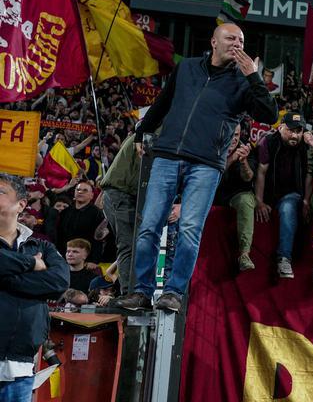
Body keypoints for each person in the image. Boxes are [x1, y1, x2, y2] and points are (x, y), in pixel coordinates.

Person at [117, 23, 278, 313]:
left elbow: (269, 114)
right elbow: (163, 102)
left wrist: (253, 77)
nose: (237, 44)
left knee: (190, 228)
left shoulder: (244, 81)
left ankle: (174, 292)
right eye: (230, 38)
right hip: (167, 155)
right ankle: (141, 292)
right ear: (214, 42)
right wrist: (142, 131)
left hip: (206, 164)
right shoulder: (187, 68)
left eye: (241, 41)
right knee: (149, 226)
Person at [0, 173, 69, 402]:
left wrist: (7, 276)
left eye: (0, 192)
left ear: (21, 204)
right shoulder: (35, 256)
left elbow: (58, 281)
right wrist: (31, 265)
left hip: (20, 371)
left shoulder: (42, 246)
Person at [255, 112, 313, 280]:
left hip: (292, 195)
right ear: (281, 127)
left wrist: (306, 201)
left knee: (288, 207)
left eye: (298, 131)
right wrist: (259, 201)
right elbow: (261, 172)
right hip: (270, 194)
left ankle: (284, 258)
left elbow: (311, 173)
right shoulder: (268, 141)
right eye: (291, 130)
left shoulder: (305, 144)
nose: (295, 135)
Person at [99, 132, 141, 293]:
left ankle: (128, 292)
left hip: (118, 192)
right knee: (129, 245)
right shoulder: (154, 132)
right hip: (122, 193)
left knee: (130, 245)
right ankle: (128, 293)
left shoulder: (143, 131)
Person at [213, 122, 257, 272]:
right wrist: (232, 159)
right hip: (212, 194)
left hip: (236, 194)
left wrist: (243, 161)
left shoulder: (246, 148)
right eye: (231, 134)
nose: (234, 139)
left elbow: (248, 177)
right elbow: (210, 176)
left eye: (236, 135)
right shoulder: (212, 145)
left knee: (246, 199)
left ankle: (244, 255)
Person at [49, 180, 103, 255]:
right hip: (64, 254)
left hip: (86, 256)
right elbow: (59, 234)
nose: (80, 192)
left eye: (85, 190)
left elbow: (98, 239)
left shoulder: (97, 214)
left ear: (92, 195)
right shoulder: (65, 212)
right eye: (78, 190)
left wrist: (93, 259)